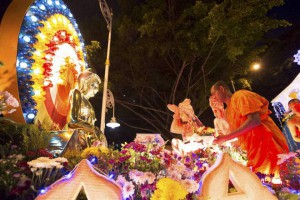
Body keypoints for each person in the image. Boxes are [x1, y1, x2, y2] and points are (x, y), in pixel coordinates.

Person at [211, 81, 289, 176]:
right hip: (250, 150)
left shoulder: (240, 95)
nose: (213, 98)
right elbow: (240, 135)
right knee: (266, 180)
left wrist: (226, 138)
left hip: (266, 142)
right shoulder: (227, 112)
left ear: (221, 89)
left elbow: (254, 121)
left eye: (213, 93)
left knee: (280, 175)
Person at [68, 69, 107, 148]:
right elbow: (73, 119)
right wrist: (92, 128)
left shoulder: (88, 103)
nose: (96, 90)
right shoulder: (77, 93)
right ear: (85, 83)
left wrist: (96, 131)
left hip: (89, 132)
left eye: (97, 87)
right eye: (94, 85)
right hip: (81, 133)